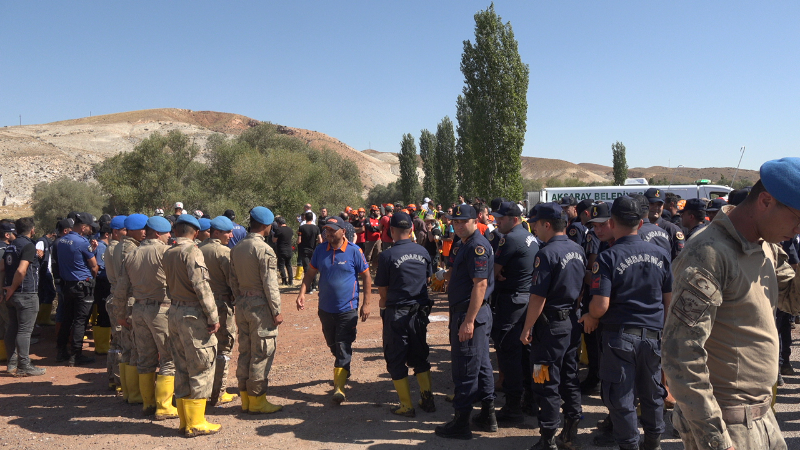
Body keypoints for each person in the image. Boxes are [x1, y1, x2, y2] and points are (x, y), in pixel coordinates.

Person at [663, 157, 800, 450]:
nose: (798, 230)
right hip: (728, 425)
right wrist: (715, 440)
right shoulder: (710, 254)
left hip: (761, 417)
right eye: (798, 218)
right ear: (765, 201)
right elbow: (680, 352)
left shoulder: (767, 246)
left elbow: (793, 300)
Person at [579, 196, 672, 450]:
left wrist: (589, 315)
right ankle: (653, 442)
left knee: (622, 398)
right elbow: (668, 301)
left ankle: (629, 445)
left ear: (612, 222)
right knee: (652, 394)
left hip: (620, 337)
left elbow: (600, 306)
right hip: (653, 336)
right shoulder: (661, 254)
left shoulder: (607, 258)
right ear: (640, 223)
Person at [519, 203, 584, 449]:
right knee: (569, 377)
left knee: (543, 379)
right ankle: (570, 432)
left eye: (535, 224)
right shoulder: (576, 248)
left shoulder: (546, 254)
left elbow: (538, 297)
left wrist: (527, 328)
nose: (533, 229)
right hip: (570, 323)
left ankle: (547, 438)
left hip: (549, 328)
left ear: (547, 224)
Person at [435, 204, 496, 440]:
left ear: (475, 220)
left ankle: (461, 423)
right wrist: (445, 275)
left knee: (465, 369)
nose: (458, 225)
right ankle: (488, 415)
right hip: (472, 312)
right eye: (454, 221)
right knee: (481, 365)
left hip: (470, 313)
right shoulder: (465, 244)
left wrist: (468, 321)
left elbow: (480, 285)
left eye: (463, 221)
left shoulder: (477, 246)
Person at [296, 216, 371, 404]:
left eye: (332, 230)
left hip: (348, 308)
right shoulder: (320, 250)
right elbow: (310, 274)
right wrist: (302, 293)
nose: (328, 233)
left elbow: (367, 277)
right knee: (333, 344)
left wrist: (366, 303)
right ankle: (344, 368)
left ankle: (339, 388)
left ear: (343, 231)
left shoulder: (354, 251)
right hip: (325, 308)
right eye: (326, 230)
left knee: (343, 343)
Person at [115, 216, 178, 420]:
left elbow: (121, 289)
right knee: (169, 358)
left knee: (145, 358)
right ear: (158, 233)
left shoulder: (132, 254)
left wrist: (120, 314)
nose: (170, 236)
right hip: (161, 309)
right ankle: (164, 406)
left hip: (139, 310)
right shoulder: (165, 252)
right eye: (168, 232)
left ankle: (148, 403)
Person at [163, 214, 221, 437]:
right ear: (195, 233)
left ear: (176, 230)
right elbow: (202, 287)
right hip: (193, 315)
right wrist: (213, 317)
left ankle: (185, 421)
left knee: (182, 366)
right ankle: (196, 422)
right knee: (201, 365)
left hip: (175, 311)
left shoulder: (169, 252)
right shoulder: (192, 251)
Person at [374, 212, 436, 417]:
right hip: (419, 313)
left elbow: (382, 288)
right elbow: (428, 279)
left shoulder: (386, 256)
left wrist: (383, 304)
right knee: (420, 355)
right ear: (411, 230)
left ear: (391, 230)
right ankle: (427, 399)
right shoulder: (423, 252)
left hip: (397, 313)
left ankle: (406, 405)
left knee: (396, 357)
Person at [230, 208, 285, 414]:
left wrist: (239, 298)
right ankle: (258, 401)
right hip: (260, 306)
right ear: (266, 226)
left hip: (242, 304)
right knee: (262, 352)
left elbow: (232, 279)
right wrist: (276, 310)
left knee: (245, 351)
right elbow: (270, 283)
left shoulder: (238, 247)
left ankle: (245, 399)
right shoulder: (264, 249)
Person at [489, 202, 539, 426]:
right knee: (525, 353)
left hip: (512, 301)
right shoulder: (528, 236)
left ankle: (512, 407)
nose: (497, 221)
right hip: (526, 298)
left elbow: (494, 271)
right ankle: (530, 399)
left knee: (509, 354)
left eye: (501, 218)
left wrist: (497, 274)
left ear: (515, 219)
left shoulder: (510, 239)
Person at [198, 216, 240, 406]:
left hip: (199, 304)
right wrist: (237, 297)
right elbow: (232, 280)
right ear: (216, 233)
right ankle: (218, 392)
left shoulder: (198, 249)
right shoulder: (223, 252)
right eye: (227, 232)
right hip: (221, 304)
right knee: (224, 346)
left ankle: (204, 390)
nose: (231, 235)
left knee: (205, 346)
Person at [1, 217, 46, 376]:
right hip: (26, 292)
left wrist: (6, 289)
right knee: (25, 331)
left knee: (12, 328)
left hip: (11, 295)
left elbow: (2, 267)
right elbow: (21, 270)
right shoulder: (28, 246)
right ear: (32, 230)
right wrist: (13, 287)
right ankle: (25, 365)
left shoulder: (10, 246)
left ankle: (11, 364)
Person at [111, 213, 147, 403]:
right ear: (130, 230)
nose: (144, 232)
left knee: (126, 349)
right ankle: (134, 394)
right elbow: (126, 283)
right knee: (134, 350)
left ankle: (128, 392)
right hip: (129, 300)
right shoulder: (129, 249)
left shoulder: (120, 246)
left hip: (122, 299)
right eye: (141, 229)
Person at [55, 212, 99, 367]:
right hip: (83, 286)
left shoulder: (61, 241)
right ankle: (76, 354)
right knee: (81, 320)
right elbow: (93, 266)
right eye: (89, 228)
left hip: (67, 285)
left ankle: (61, 351)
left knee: (67, 318)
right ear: (83, 227)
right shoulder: (81, 242)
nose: (90, 230)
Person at [103, 215, 126, 392]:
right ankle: (119, 380)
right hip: (119, 297)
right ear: (116, 231)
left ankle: (112, 377)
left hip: (113, 295)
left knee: (115, 342)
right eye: (125, 230)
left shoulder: (109, 247)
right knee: (121, 342)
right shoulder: (117, 249)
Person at [644, 188, 685, 261]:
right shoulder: (638, 228)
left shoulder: (672, 229)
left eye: (659, 205)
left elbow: (679, 259)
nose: (656, 208)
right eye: (652, 204)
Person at [92, 224, 112, 357]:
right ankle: (102, 347)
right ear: (107, 234)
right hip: (102, 283)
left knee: (102, 314)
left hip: (101, 283)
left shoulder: (101, 246)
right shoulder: (101, 248)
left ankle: (102, 345)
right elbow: (98, 267)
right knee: (103, 314)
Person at [296, 212, 322, 293]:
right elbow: (320, 240)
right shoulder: (316, 228)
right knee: (313, 267)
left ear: (305, 218)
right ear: (312, 218)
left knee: (306, 268)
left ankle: (309, 287)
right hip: (313, 249)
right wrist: (314, 241)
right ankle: (314, 285)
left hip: (304, 250)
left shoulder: (301, 228)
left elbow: (299, 241)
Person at [271, 217, 294, 285]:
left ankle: (284, 281)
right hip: (289, 249)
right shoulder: (290, 229)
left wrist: (273, 235)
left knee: (281, 265)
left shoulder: (278, 230)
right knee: (289, 265)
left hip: (281, 249)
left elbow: (274, 240)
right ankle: (291, 281)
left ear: (279, 223)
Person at [363, 206, 382, 278]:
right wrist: (377, 228)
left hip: (378, 240)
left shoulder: (378, 220)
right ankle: (365, 272)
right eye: (377, 211)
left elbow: (380, 228)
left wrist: (375, 228)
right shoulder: (367, 219)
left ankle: (374, 271)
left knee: (376, 256)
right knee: (367, 257)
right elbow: (370, 228)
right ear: (373, 211)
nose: (378, 212)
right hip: (369, 241)